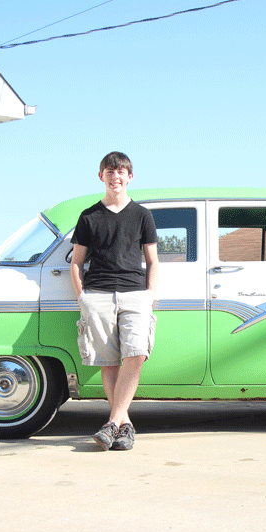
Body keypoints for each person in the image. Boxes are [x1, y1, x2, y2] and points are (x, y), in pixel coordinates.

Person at [70, 152, 159, 451]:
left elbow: (153, 261)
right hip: (98, 295)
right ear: (101, 177)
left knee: (136, 355)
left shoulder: (142, 215)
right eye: (110, 171)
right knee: (108, 362)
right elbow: (76, 262)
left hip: (136, 295)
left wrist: (150, 296)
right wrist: (82, 297)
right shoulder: (88, 216)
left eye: (121, 171)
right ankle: (125, 426)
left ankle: (112, 423)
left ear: (130, 177)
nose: (115, 177)